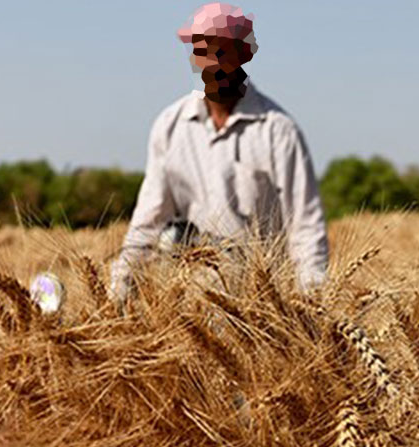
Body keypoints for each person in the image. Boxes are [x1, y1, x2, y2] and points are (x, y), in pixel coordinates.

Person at [109, 2, 329, 303]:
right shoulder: (170, 126)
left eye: (222, 52)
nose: (212, 62)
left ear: (245, 54)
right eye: (202, 52)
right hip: (190, 307)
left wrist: (311, 307)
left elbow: (305, 227)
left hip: (262, 309)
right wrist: (117, 292)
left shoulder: (278, 131)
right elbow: (148, 221)